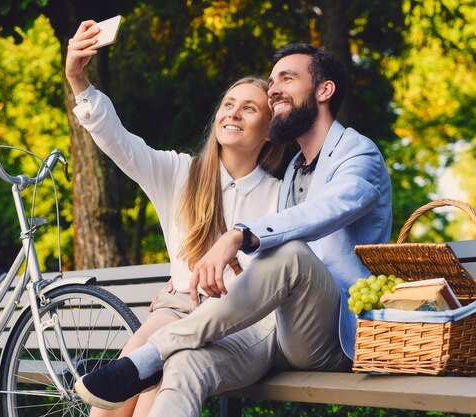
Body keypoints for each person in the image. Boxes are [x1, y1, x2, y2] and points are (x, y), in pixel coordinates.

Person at [75, 42, 392, 417]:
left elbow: (328, 210)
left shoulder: (358, 154)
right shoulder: (290, 173)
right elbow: (121, 144)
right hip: (252, 324)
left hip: (319, 331)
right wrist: (79, 81)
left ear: (324, 90)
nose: (274, 89)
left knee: (288, 253)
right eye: (271, 83)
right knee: (183, 366)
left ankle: (151, 355)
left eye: (285, 80)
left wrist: (239, 234)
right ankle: (152, 357)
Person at [65, 20, 285, 417]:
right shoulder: (179, 173)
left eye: (249, 108)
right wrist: (79, 80)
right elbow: (118, 142)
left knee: (157, 379)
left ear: (269, 131)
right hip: (176, 308)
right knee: (125, 380)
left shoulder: (280, 195)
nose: (233, 113)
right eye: (228, 104)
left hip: (237, 323)